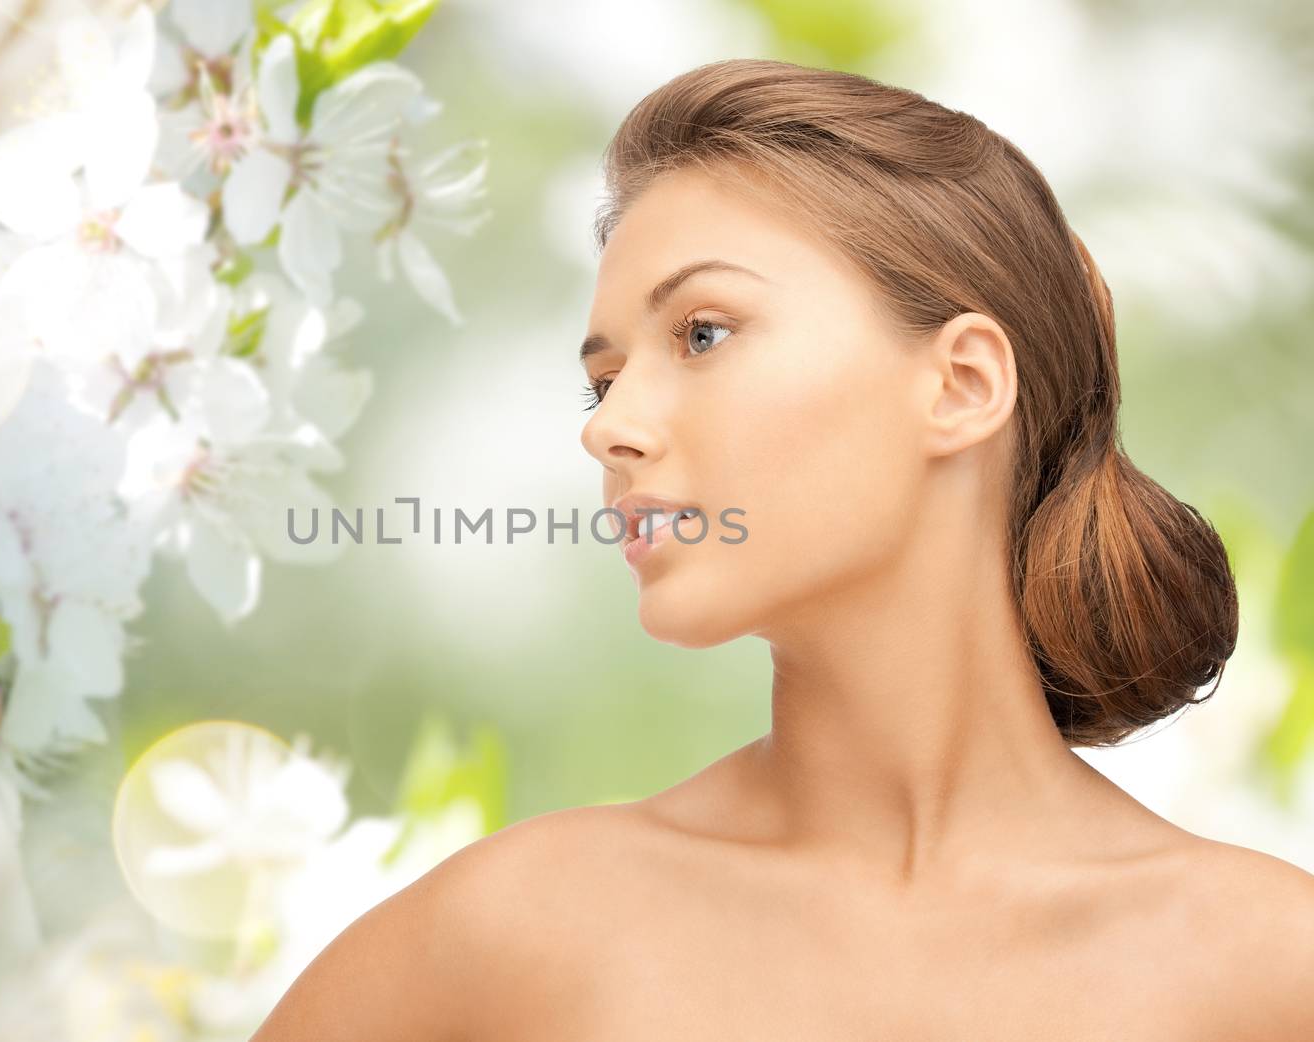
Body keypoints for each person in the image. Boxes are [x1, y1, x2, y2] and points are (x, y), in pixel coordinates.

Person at [251, 58, 1314, 1040]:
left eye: (702, 334)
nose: (607, 426)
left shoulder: (1270, 966)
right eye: (605, 376)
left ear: (962, 385)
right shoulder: (511, 933)